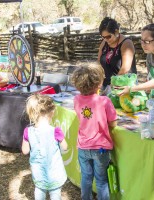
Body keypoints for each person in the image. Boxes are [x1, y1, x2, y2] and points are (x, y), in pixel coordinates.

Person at [71, 64, 117, 200]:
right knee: (101, 180)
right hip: (101, 147)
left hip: (83, 146)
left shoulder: (76, 99)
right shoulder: (105, 101)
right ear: (99, 83)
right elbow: (113, 123)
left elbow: (85, 115)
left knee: (86, 177)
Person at [21, 93, 68, 200]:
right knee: (55, 193)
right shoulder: (56, 131)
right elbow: (65, 147)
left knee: (39, 190)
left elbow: (25, 150)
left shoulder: (28, 131)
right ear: (51, 113)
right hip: (55, 173)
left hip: (38, 173)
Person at [98, 17, 137, 95]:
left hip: (123, 85)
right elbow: (99, 63)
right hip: (106, 84)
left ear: (116, 32)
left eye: (109, 36)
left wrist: (113, 85)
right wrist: (99, 81)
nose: (106, 39)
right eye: (103, 37)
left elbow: (125, 68)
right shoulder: (104, 43)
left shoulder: (127, 43)